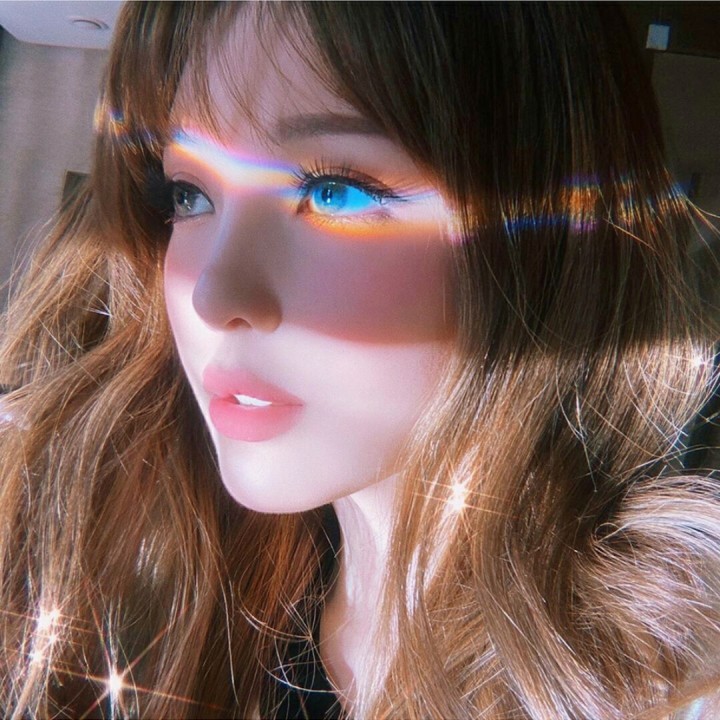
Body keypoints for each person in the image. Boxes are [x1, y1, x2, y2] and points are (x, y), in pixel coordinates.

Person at [0, 2, 718, 718]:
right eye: (189, 195)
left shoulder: (671, 687)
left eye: (333, 190)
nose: (213, 297)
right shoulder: (166, 607)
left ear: (553, 239)